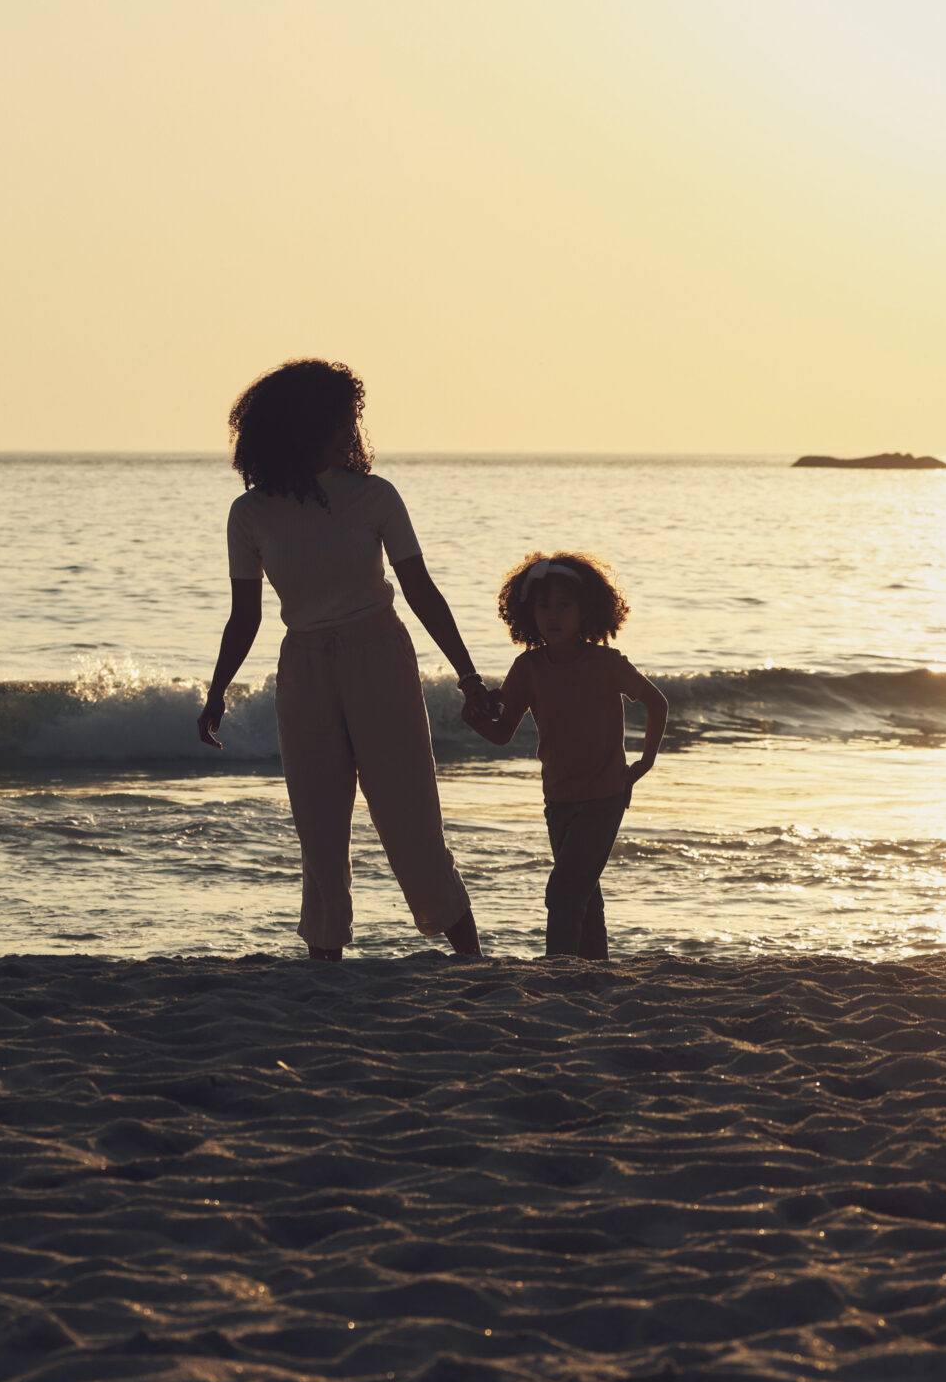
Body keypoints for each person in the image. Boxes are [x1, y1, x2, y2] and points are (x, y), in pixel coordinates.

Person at [196, 359, 496, 961]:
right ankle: (325, 962)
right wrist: (216, 690)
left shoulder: (374, 497)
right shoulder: (250, 513)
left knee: (410, 818)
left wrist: (468, 676)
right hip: (302, 667)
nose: (350, 430)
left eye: (351, 418)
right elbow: (245, 616)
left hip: (378, 655)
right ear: (299, 425)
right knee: (320, 829)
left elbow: (421, 591)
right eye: (338, 419)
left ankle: (469, 957)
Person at [464, 554, 668, 960]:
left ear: (585, 611)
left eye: (564, 605)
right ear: (528, 612)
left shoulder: (606, 663)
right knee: (583, 894)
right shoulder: (528, 668)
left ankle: (556, 971)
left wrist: (644, 763)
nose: (553, 615)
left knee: (564, 889)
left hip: (605, 796)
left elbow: (656, 702)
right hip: (557, 800)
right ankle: (594, 970)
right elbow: (503, 734)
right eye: (543, 606)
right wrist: (474, 719)